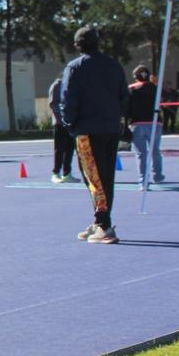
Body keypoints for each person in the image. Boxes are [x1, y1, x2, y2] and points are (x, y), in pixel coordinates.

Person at [60, 25, 130, 245]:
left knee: (93, 178)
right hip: (111, 128)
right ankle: (100, 220)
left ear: (77, 45)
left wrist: (70, 124)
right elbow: (124, 97)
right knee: (106, 176)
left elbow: (68, 100)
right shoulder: (114, 65)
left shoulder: (75, 67)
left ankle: (103, 224)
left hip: (87, 130)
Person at [126, 64, 165, 186]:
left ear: (135, 76)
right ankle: (157, 175)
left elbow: (125, 105)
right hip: (154, 122)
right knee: (155, 150)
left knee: (141, 153)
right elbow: (161, 101)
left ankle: (143, 179)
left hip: (137, 122)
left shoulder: (131, 88)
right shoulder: (156, 88)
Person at [48, 76, 76, 183]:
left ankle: (67, 173)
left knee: (70, 149)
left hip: (70, 123)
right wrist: (64, 113)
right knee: (59, 149)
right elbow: (53, 103)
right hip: (59, 123)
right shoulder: (57, 85)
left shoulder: (71, 86)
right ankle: (55, 173)